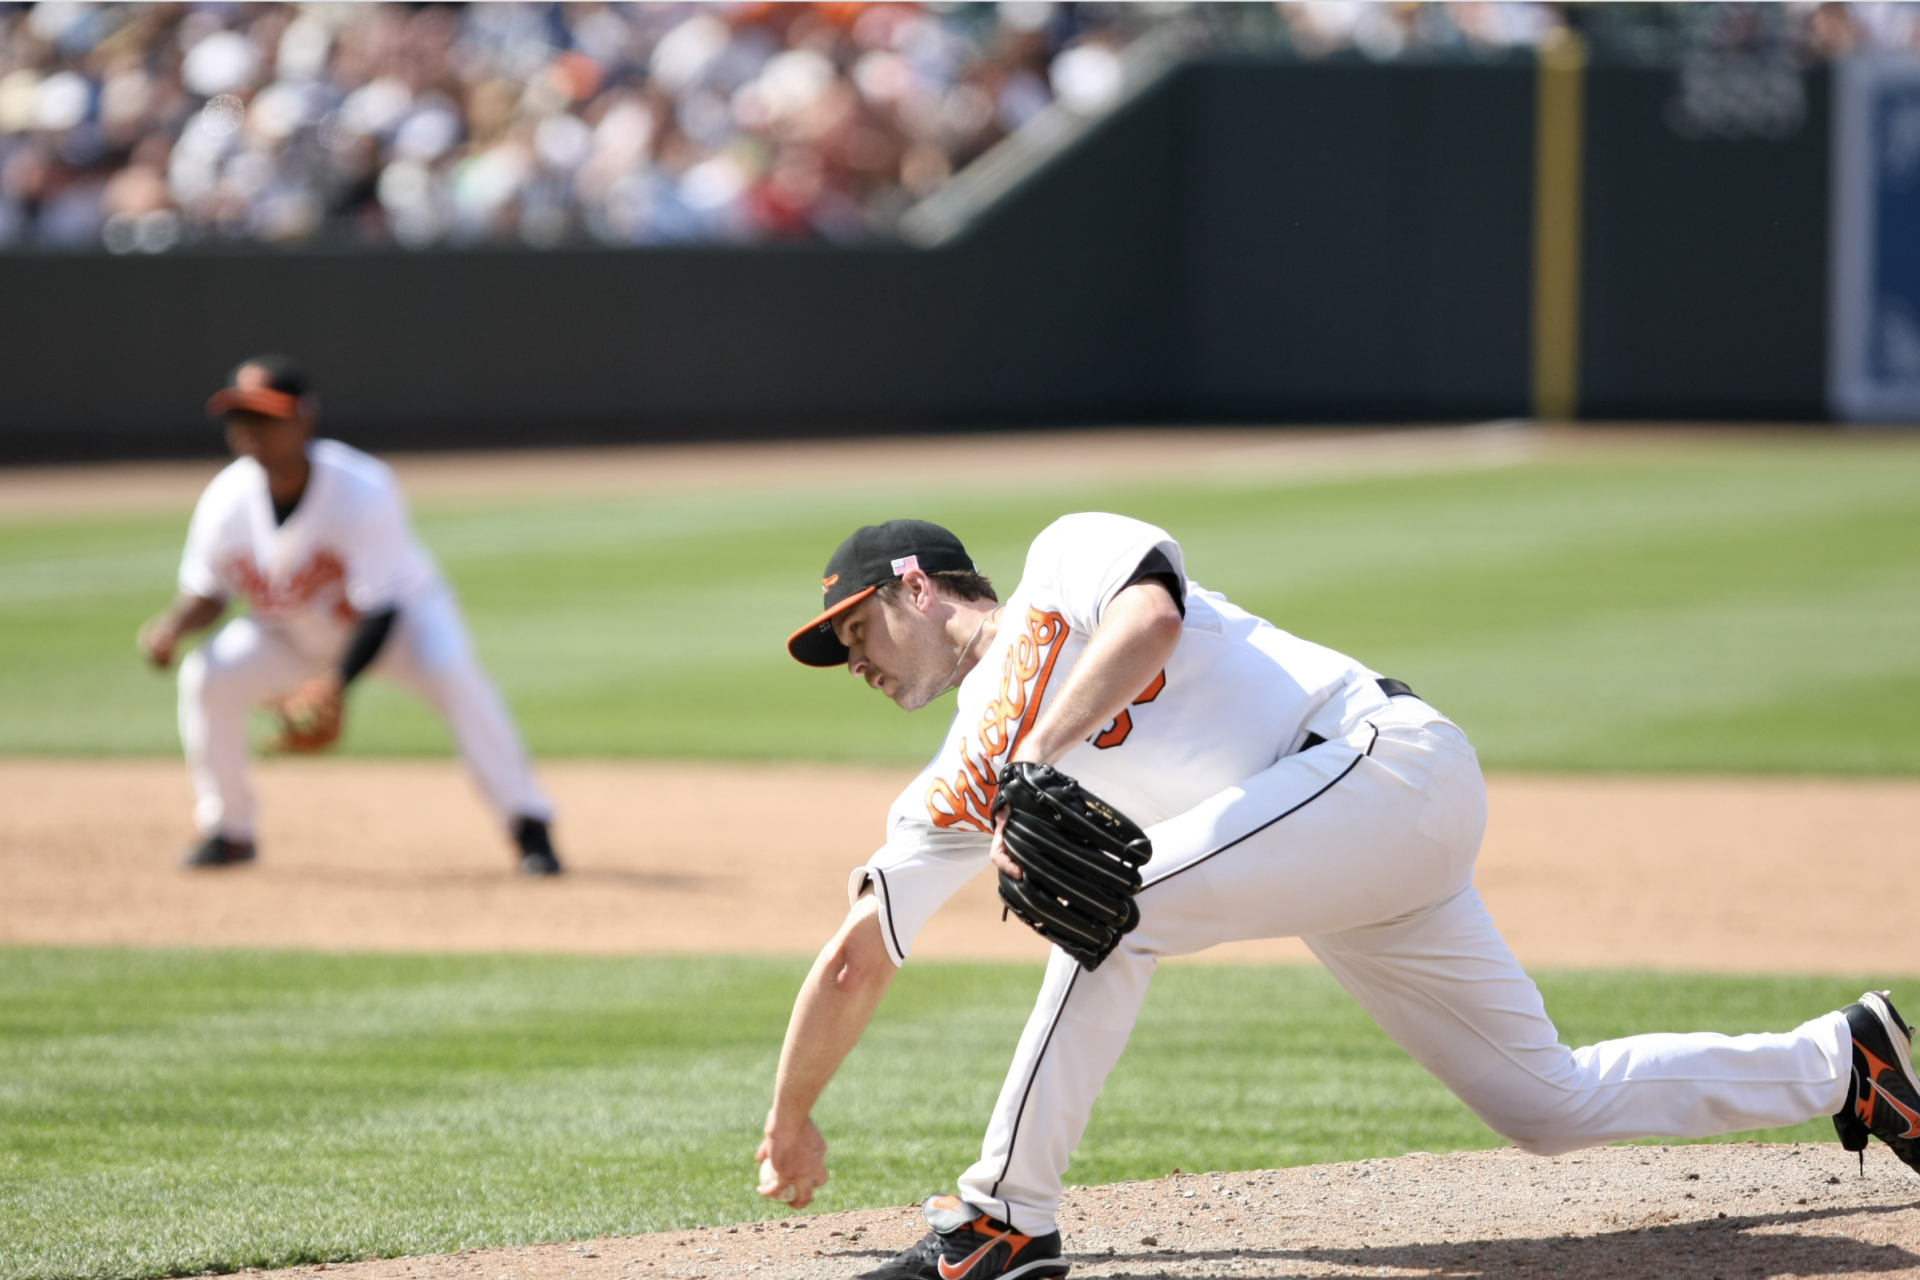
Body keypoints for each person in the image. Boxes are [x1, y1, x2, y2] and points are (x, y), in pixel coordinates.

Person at [755, 513, 1920, 1280]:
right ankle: (1843, 1058)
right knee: (1545, 1102)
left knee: (1106, 907)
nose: (850, 657)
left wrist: (1041, 753)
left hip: (1384, 761)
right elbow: (860, 952)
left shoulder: (1066, 554)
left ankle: (1006, 1212)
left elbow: (1152, 616)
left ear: (914, 583)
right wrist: (789, 1117)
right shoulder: (953, 778)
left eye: (853, 625)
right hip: (1337, 857)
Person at [137, 355, 564, 876]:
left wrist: (333, 685)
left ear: (303, 420)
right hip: (291, 631)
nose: (250, 430)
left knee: (453, 674)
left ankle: (528, 825)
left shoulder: (362, 487)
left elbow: (379, 609)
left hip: (403, 624)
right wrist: (173, 627)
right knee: (207, 675)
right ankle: (230, 831)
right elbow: (208, 591)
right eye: (239, 417)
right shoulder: (225, 499)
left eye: (266, 417)